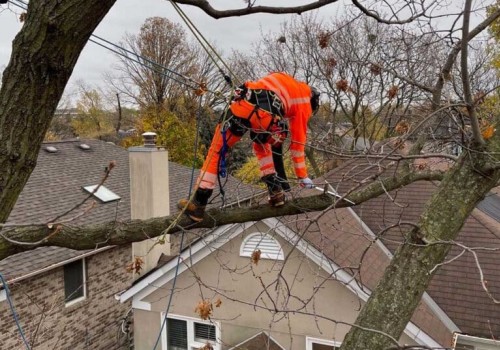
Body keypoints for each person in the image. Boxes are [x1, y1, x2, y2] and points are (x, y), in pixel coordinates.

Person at [179, 72, 320, 222]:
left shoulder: (287, 82)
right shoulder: (304, 101)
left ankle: (199, 203)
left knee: (217, 151)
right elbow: (298, 144)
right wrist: (302, 176)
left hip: (246, 103)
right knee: (262, 145)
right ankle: (276, 191)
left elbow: (261, 86)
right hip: (265, 116)